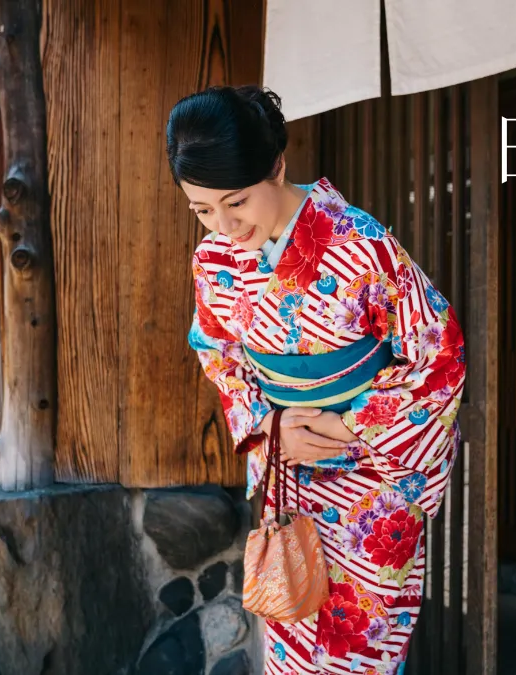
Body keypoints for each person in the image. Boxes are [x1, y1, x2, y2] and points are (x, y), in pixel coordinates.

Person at [170, 84, 466, 675]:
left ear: (277, 166)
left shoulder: (361, 243)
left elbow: (439, 355)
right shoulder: (213, 265)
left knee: (359, 647)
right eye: (203, 210)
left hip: (370, 481)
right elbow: (217, 351)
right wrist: (270, 426)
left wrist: (344, 427)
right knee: (291, 626)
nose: (224, 226)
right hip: (290, 471)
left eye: (237, 202)